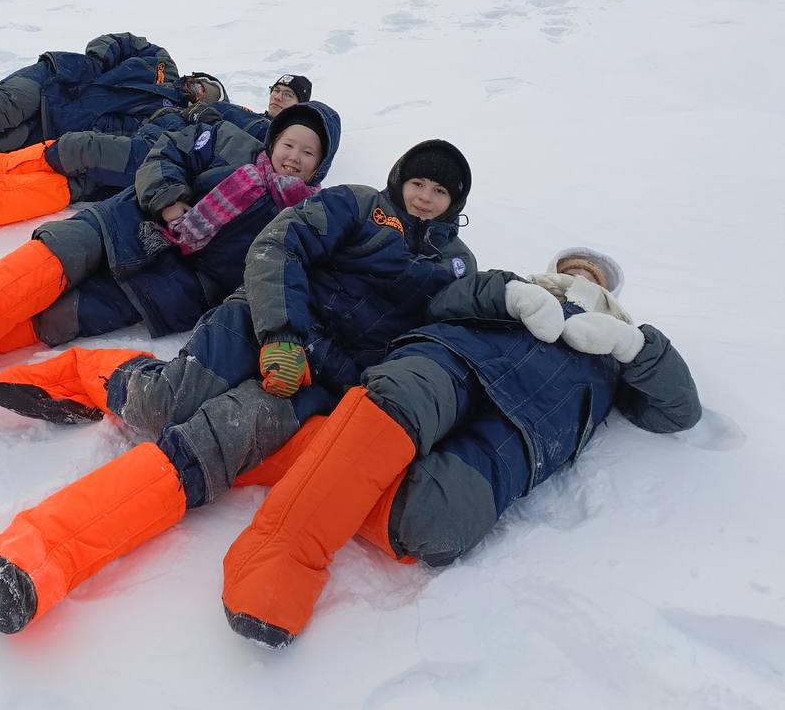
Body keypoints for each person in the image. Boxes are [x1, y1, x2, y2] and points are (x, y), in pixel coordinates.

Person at [0, 139, 477, 633]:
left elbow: (426, 345)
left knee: (208, 446)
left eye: (440, 192)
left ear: (454, 203)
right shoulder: (357, 205)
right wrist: (282, 335)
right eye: (420, 184)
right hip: (261, 320)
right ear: (401, 179)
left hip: (317, 380)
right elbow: (278, 245)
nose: (426, 198)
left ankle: (32, 557)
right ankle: (80, 374)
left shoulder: (456, 267)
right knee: (163, 404)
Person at [220, 247, 702, 647]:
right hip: (455, 357)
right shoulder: (517, 283)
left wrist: (634, 348)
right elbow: (444, 303)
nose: (581, 276)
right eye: (574, 268)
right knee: (395, 404)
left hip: (525, 429)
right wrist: (509, 296)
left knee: (439, 522)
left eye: (593, 275)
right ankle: (277, 559)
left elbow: (677, 411)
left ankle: (308, 444)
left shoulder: (620, 350)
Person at [0, 100, 339, 377]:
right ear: (274, 139)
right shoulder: (227, 142)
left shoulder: (299, 219)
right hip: (128, 221)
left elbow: (268, 276)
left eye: (308, 152)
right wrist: (169, 200)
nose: (294, 157)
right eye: (289, 144)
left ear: (321, 164)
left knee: (59, 319)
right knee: (49, 259)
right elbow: (165, 154)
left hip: (167, 287)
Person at [0, 74, 314, 230]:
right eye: (276, 90)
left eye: (289, 95)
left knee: (82, 149)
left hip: (164, 160)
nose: (278, 96)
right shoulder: (249, 114)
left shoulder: (272, 138)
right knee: (82, 185)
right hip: (161, 153)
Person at [0, 31, 221, 180]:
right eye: (208, 87)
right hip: (58, 78)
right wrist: (96, 61)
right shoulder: (162, 64)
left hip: (57, 125)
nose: (204, 94)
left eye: (212, 98)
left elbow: (124, 132)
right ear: (198, 78)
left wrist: (93, 131)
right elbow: (120, 41)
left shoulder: (166, 116)